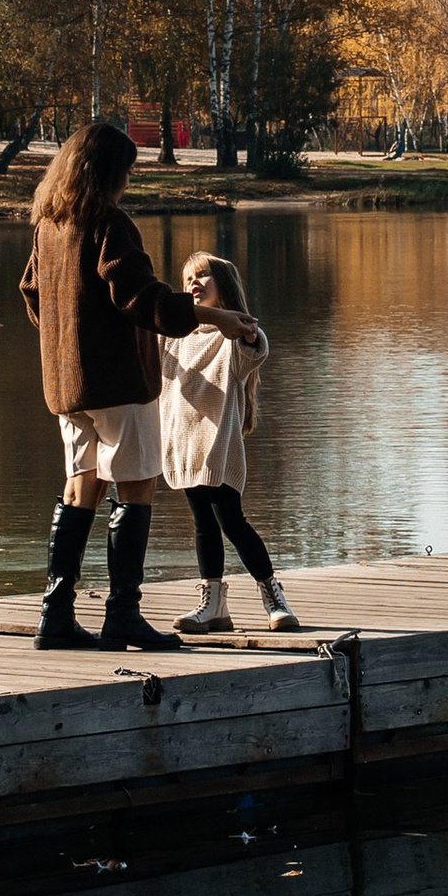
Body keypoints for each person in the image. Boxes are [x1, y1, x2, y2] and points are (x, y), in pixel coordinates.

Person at [18, 120, 257, 652]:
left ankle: (55, 615)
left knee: (80, 487)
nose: (128, 180)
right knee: (137, 485)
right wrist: (215, 318)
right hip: (119, 384)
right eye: (125, 171)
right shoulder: (110, 225)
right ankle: (122, 613)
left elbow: (32, 293)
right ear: (107, 172)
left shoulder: (49, 226)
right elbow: (142, 298)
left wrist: (66, 342)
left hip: (67, 388)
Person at [161, 249, 301, 633]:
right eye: (188, 277)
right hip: (184, 445)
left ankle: (273, 595)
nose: (193, 283)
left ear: (223, 287)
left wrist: (246, 331)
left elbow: (255, 347)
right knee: (203, 522)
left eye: (203, 276)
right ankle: (214, 606)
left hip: (217, 445)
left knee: (231, 520)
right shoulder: (173, 339)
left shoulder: (231, 338)